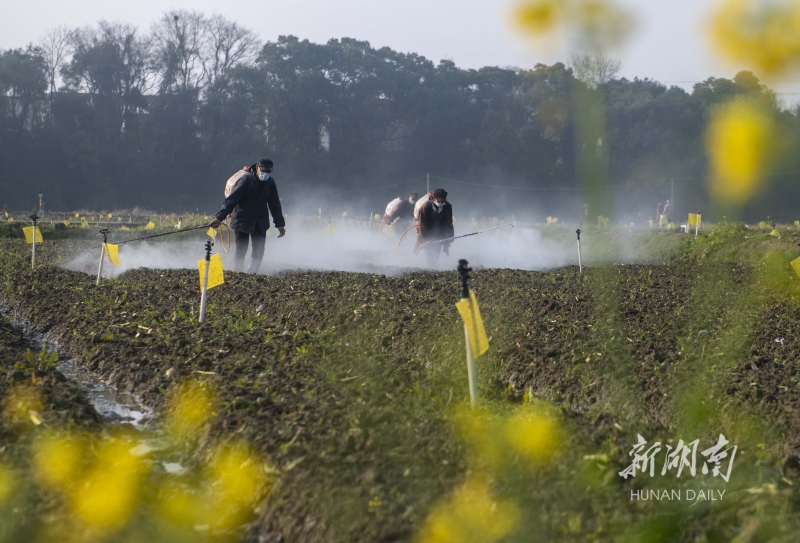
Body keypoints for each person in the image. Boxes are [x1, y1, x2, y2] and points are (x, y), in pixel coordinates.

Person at [208, 157, 285, 273]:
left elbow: (274, 204)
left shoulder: (270, 183)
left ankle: (252, 273)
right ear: (257, 168)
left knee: (259, 250)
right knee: (241, 249)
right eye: (264, 171)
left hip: (260, 221)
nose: (266, 174)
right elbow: (231, 200)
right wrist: (219, 217)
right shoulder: (246, 180)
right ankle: (238, 272)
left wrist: (279, 224)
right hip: (241, 220)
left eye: (268, 172)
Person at [415, 188, 454, 264]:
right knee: (429, 254)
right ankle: (430, 269)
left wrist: (448, 238)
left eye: (442, 201)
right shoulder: (426, 207)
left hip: (439, 235)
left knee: (436, 254)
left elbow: (449, 224)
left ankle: (433, 268)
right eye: (439, 201)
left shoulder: (447, 207)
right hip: (427, 234)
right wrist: (427, 239)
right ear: (434, 199)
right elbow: (422, 225)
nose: (441, 202)